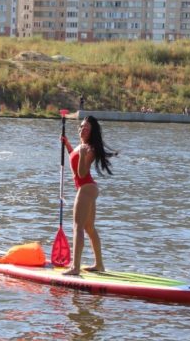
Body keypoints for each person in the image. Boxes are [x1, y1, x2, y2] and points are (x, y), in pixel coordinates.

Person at [60, 115, 116, 275]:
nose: (82, 129)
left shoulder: (89, 149)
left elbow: (82, 172)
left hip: (86, 187)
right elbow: (74, 158)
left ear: (91, 132)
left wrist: (83, 155)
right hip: (89, 189)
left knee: (78, 226)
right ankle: (99, 265)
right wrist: (67, 145)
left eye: (86, 128)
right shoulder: (81, 146)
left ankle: (75, 267)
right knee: (89, 227)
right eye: (81, 126)